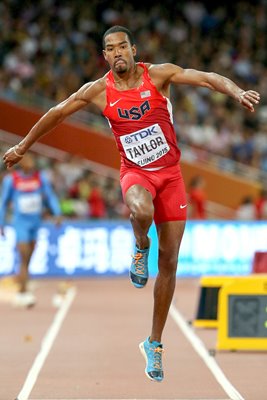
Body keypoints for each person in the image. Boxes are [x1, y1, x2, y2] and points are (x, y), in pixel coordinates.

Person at [2, 26, 260, 380]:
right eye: (110, 48)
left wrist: (235, 91)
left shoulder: (159, 74)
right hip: (136, 175)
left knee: (169, 262)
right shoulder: (97, 92)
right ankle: (140, 245)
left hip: (170, 177)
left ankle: (154, 343)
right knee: (140, 210)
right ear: (105, 56)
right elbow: (56, 113)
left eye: (122, 45)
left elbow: (207, 78)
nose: (117, 52)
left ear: (133, 49)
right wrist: (22, 146)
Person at [0, 153, 62, 307]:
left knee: (28, 258)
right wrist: (1, 223)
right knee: (23, 254)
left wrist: (57, 213)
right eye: (26, 160)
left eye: (31, 159)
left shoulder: (40, 178)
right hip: (20, 223)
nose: (29, 162)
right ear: (20, 163)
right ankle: (23, 292)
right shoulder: (11, 180)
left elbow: (50, 197)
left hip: (35, 222)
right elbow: (3, 202)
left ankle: (22, 286)